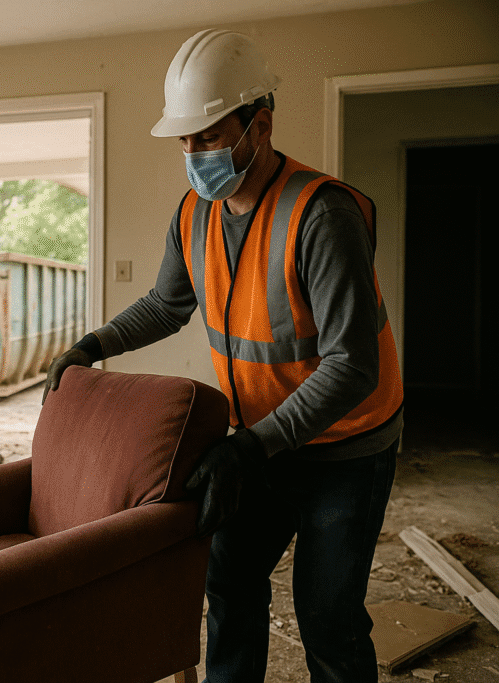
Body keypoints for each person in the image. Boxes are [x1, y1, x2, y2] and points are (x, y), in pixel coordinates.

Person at [42, 29, 403, 683]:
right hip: (262, 442)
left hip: (346, 450)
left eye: (207, 136)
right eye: (185, 139)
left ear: (258, 126)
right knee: (229, 581)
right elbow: (165, 304)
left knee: (326, 614)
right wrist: (94, 345)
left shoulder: (322, 216)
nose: (193, 153)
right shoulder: (195, 213)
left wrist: (248, 447)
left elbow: (352, 366)